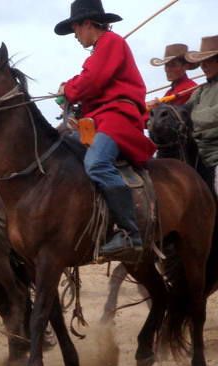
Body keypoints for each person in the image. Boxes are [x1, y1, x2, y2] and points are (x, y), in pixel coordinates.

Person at [55, 0, 156, 259]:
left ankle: (129, 233)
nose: (76, 37)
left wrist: (68, 89)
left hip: (117, 118)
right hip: (100, 118)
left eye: (75, 29)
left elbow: (91, 81)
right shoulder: (101, 48)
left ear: (87, 23)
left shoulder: (111, 42)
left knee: (97, 164)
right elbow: (89, 82)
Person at [185, 36, 218, 196]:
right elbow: (183, 112)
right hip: (200, 154)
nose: (203, 67)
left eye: (208, 61)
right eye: (202, 62)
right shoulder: (200, 90)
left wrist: (190, 117)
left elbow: (214, 115)